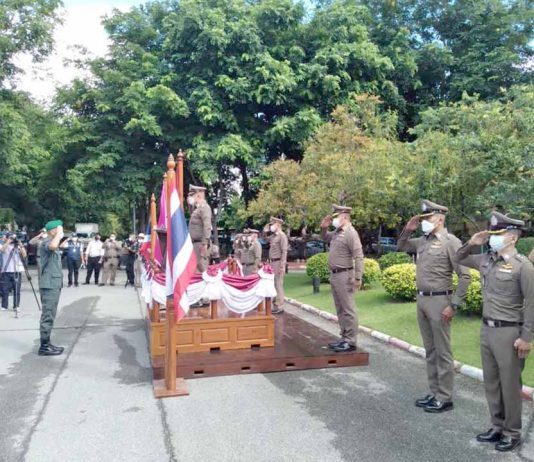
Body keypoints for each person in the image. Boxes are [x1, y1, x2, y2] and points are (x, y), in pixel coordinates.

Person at [456, 211, 533, 452]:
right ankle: (497, 426)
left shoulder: (523, 266)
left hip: (509, 333)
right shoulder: (486, 259)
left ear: (513, 238)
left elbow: (532, 302)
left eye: (498, 234)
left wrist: (526, 337)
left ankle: (512, 432)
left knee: (509, 386)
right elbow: (458, 257)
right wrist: (471, 243)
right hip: (486, 330)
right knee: (491, 382)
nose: (492, 238)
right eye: (492, 234)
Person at [397, 199, 471, 413]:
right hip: (422, 300)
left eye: (427, 218)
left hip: (440, 301)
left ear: (439, 219)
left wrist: (454, 305)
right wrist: (407, 230)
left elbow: (465, 276)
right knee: (430, 350)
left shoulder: (451, 242)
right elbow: (401, 246)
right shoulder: (423, 241)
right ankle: (435, 391)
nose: (424, 222)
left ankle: (445, 397)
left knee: (443, 351)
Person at [320, 205, 364, 352]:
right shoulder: (337, 232)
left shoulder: (351, 233)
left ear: (344, 217)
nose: (334, 220)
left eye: (336, 217)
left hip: (345, 275)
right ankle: (344, 337)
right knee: (340, 308)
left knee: (348, 309)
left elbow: (358, 256)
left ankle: (350, 341)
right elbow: (324, 237)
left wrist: (357, 278)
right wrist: (324, 228)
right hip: (335, 275)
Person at [38, 220, 65, 356]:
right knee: (47, 315)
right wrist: (59, 233)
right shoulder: (46, 242)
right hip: (49, 285)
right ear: (53, 230)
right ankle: (44, 346)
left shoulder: (51, 241)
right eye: (59, 228)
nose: (61, 230)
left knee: (51, 314)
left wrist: (58, 235)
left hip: (53, 284)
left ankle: (47, 343)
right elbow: (53, 246)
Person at [187, 185, 213, 273]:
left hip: (201, 244)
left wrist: (204, 244)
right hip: (195, 244)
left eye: (192, 195)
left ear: (198, 196)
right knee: (195, 271)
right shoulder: (197, 209)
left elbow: (207, 226)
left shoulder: (205, 208)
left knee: (201, 271)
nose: (190, 198)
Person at [0, 233, 27, 312]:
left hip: (17, 270)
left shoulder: (17, 246)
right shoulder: (3, 245)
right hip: (6, 270)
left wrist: (20, 244)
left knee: (17, 289)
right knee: (5, 289)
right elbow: (2, 250)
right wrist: (8, 241)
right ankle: (4, 306)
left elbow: (24, 255)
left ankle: (16, 306)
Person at [267, 217, 288, 314]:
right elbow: (265, 238)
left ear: (278, 225)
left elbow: (284, 251)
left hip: (278, 262)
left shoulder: (282, 236)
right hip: (272, 262)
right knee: (274, 284)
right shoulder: (274, 236)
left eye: (273, 224)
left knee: (278, 284)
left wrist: (282, 266)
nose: (271, 226)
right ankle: (275, 305)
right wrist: (266, 230)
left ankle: (280, 306)